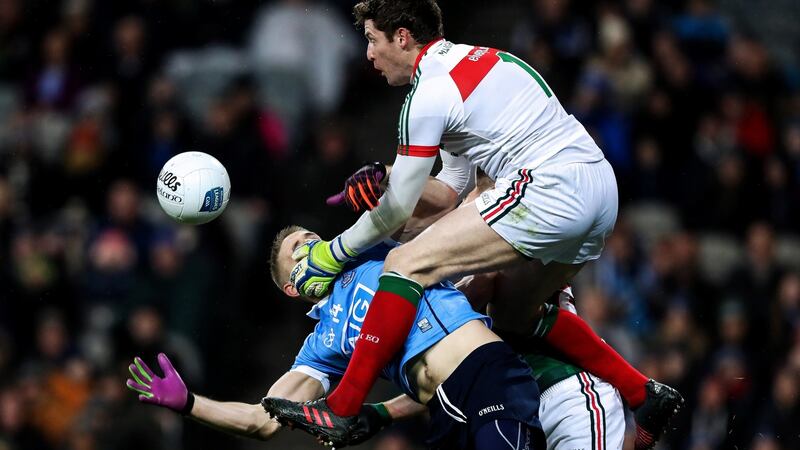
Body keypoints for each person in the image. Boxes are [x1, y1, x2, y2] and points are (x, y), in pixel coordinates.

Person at [271, 2, 681, 448]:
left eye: (372, 39)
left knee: (404, 265)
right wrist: (390, 176)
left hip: (549, 186)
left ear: (402, 37)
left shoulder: (427, 94)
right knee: (513, 313)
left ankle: (344, 407)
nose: (368, 54)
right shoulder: (482, 61)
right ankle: (642, 391)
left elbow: (394, 215)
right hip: (599, 189)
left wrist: (332, 254)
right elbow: (449, 190)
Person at [127, 225, 548, 450]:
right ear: (292, 286)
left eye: (312, 237)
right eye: (298, 247)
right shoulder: (323, 344)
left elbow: (404, 207)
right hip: (444, 411)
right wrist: (190, 403)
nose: (311, 244)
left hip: (484, 371)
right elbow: (262, 421)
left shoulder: (371, 250)